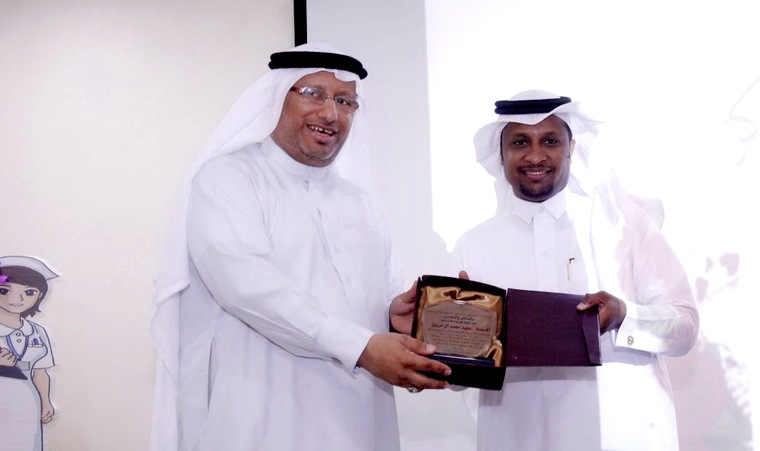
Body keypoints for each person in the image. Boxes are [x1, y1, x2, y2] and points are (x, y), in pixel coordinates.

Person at [150, 43, 450, 451]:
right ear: (277, 97)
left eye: (345, 101)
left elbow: (371, 297)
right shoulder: (229, 178)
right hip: (265, 418)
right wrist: (362, 348)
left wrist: (393, 315)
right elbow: (247, 287)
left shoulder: (360, 201)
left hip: (359, 421)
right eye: (313, 94)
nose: (330, 114)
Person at [453, 90, 699, 451]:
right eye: (520, 142)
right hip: (517, 440)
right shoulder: (473, 246)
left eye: (550, 141)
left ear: (571, 147)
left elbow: (685, 328)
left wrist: (623, 316)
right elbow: (457, 376)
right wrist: (453, 338)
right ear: (500, 154)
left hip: (620, 438)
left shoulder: (624, 225)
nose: (535, 155)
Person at [0, 255, 57, 451]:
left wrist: (45, 401)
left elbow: (40, 371)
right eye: (4, 290)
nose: (16, 299)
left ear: (39, 296)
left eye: (29, 292)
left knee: (25, 442)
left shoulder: (37, 332)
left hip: (26, 399)